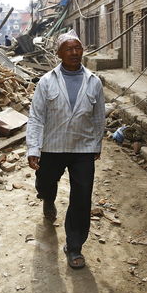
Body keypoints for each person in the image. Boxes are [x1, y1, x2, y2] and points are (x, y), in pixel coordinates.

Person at [26, 31, 105, 269]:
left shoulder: (94, 81)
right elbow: (37, 117)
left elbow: (99, 117)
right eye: (69, 49)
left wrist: (97, 143)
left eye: (78, 48)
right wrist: (34, 148)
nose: (74, 53)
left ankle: (74, 247)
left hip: (82, 147)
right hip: (52, 146)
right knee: (45, 182)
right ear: (59, 53)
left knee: (81, 197)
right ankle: (47, 199)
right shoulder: (47, 81)